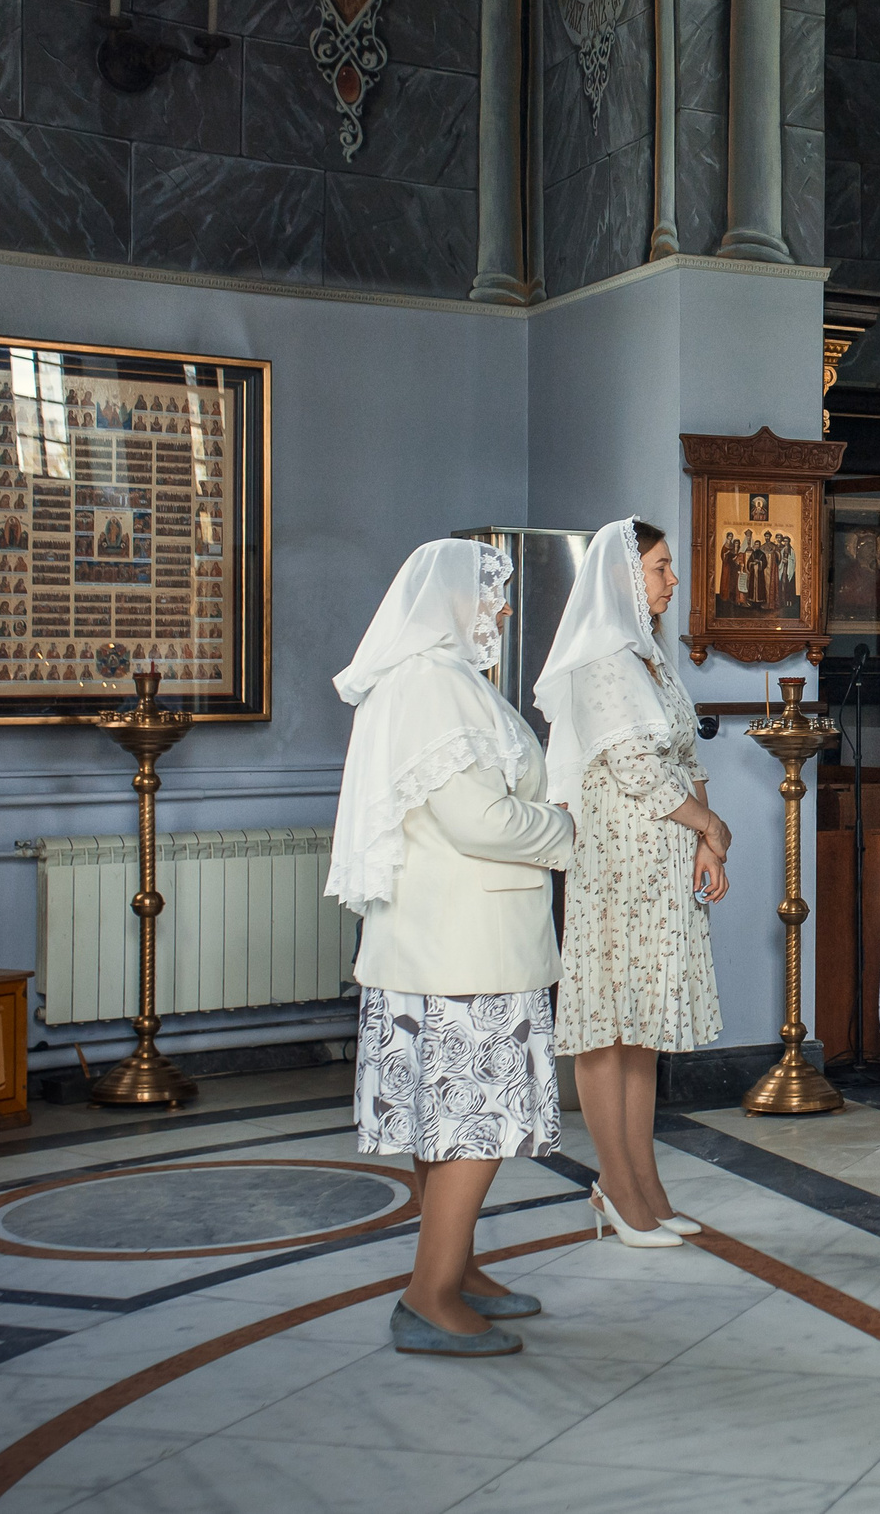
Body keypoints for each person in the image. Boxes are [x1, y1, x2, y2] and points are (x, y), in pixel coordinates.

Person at [327, 539, 575, 1356]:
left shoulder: (438, 682)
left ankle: (455, 1267)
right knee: (476, 1120)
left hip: (441, 940)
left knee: (448, 1121)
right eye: (489, 595)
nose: (500, 610)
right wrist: (567, 830)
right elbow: (479, 820)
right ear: (447, 602)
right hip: (467, 947)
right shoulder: (434, 686)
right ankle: (429, 1294)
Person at [535, 518, 732, 1250]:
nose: (671, 580)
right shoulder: (602, 661)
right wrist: (706, 827)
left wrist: (707, 840)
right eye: (660, 567)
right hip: (618, 862)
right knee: (608, 1024)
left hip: (665, 859)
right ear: (624, 577)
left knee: (642, 1030)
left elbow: (684, 751)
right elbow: (635, 768)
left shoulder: (651, 660)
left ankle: (645, 1186)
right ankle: (615, 1188)